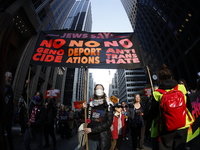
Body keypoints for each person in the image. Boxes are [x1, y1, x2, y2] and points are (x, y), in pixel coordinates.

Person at [149, 64, 194, 150]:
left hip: (166, 127)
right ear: (171, 77)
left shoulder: (157, 93)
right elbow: (188, 106)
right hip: (183, 125)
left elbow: (154, 114)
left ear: (160, 80)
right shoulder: (181, 88)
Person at [83, 84, 114, 150]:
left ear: (103, 91)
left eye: (101, 88)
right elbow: (84, 118)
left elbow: (108, 123)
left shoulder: (108, 105)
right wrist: (83, 109)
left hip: (103, 137)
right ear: (94, 91)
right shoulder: (90, 105)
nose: (99, 90)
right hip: (91, 137)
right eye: (97, 88)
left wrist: (92, 130)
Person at [4, 71, 14, 150]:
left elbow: (11, 102)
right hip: (3, 113)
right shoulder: (2, 87)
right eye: (9, 77)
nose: (10, 79)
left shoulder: (10, 89)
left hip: (8, 114)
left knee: (9, 133)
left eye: (11, 78)